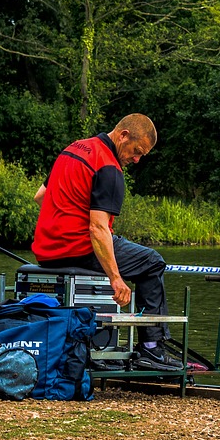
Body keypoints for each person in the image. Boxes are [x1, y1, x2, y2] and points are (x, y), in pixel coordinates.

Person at [31, 113, 179, 371]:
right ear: (123, 135)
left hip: (46, 251)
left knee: (124, 247)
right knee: (152, 262)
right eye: (137, 151)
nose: (136, 159)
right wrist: (116, 278)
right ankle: (152, 349)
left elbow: (40, 197)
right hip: (78, 248)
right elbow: (98, 228)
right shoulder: (108, 167)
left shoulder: (72, 149)